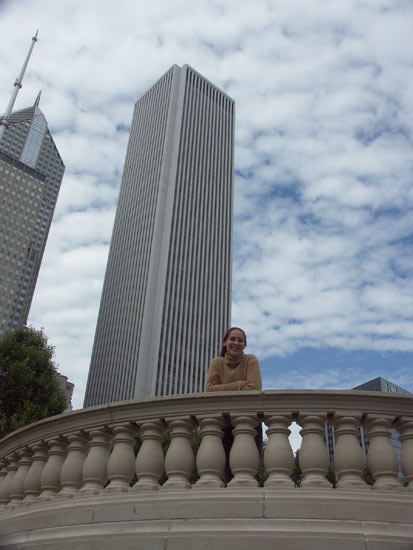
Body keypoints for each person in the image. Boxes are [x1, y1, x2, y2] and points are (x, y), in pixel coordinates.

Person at [205, 327, 262, 482]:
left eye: (240, 340)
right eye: (232, 339)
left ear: (244, 345)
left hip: (250, 422)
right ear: (225, 343)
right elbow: (209, 390)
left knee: (248, 473)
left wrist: (222, 388)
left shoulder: (250, 360)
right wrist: (238, 385)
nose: (236, 343)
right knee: (227, 474)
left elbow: (255, 388)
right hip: (225, 424)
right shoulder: (217, 362)